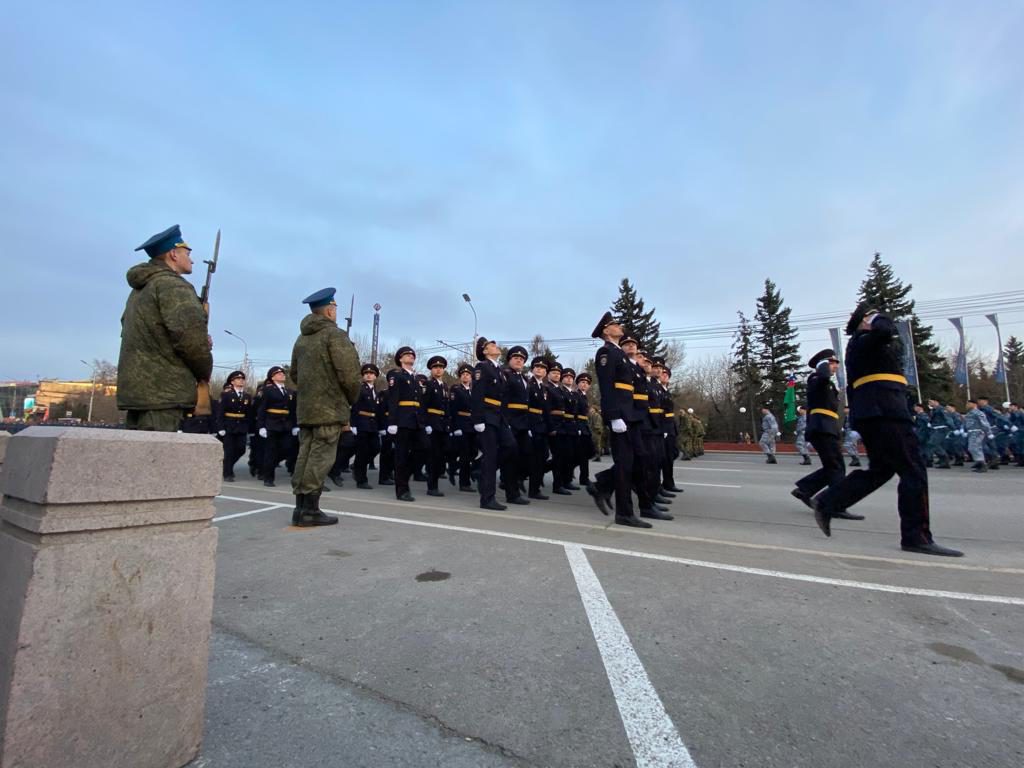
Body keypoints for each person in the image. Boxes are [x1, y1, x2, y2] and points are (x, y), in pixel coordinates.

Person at [813, 304, 963, 557]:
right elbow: (885, 330)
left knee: (881, 470)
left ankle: (829, 501)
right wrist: (878, 317)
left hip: (879, 411)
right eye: (872, 315)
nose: (879, 318)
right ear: (864, 321)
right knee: (913, 470)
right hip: (885, 412)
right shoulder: (863, 341)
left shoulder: (868, 345)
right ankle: (916, 537)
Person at [117, 225, 213, 432]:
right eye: (188, 254)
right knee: (157, 450)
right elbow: (190, 341)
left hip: (139, 391)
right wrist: (204, 368)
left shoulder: (142, 288)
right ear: (173, 254)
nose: (192, 260)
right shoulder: (174, 286)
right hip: (165, 391)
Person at [289, 287, 361, 526]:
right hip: (329, 409)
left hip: (307, 409)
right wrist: (349, 399)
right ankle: (310, 511)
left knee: (305, 455)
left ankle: (300, 508)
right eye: (335, 308)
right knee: (321, 458)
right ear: (330, 311)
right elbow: (349, 375)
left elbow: (295, 374)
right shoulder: (335, 335)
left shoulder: (302, 338)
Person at [588, 312, 652, 528]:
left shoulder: (619, 354)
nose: (619, 326)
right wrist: (614, 416)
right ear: (606, 331)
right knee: (625, 465)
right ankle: (624, 513)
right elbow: (607, 386)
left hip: (629, 415)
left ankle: (602, 485)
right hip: (620, 416)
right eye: (615, 324)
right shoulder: (606, 352)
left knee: (635, 461)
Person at [791, 349, 860, 519]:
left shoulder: (826, 383)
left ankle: (805, 489)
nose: (836, 366)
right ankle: (834, 505)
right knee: (837, 467)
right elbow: (822, 376)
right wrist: (822, 365)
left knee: (833, 466)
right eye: (833, 362)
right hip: (822, 428)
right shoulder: (816, 379)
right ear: (824, 364)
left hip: (827, 428)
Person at [472, 336, 527, 510]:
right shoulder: (482, 367)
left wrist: (505, 419)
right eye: (491, 345)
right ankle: (487, 499)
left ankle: (479, 469)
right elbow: (477, 394)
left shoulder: (499, 371)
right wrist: (478, 419)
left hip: (499, 416)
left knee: (511, 447)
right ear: (485, 351)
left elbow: (502, 398)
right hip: (487, 416)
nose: (496, 346)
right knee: (490, 457)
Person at [387, 347, 424, 502]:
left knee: (423, 449)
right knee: (401, 456)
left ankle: (403, 477)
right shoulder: (397, 375)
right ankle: (402, 490)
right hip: (402, 420)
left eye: (412, 355)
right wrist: (392, 422)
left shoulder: (415, 378)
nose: (411, 356)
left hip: (415, 421)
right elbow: (393, 399)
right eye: (407, 355)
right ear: (400, 359)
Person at [257, 366, 298, 487]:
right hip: (272, 424)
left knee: (287, 448)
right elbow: (262, 409)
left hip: (286, 425)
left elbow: (293, 410)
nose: (282, 375)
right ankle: (268, 478)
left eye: (283, 373)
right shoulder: (267, 390)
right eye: (278, 374)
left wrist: (295, 425)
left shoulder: (289, 392)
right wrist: (261, 426)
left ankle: (269, 465)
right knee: (270, 452)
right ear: (272, 377)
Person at [502, 346, 532, 498]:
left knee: (526, 454)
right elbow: (502, 399)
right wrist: (505, 420)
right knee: (511, 458)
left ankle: (514, 482)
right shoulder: (505, 375)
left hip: (523, 422)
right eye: (516, 358)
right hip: (511, 420)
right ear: (509, 360)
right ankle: (512, 492)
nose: (519, 361)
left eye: (522, 359)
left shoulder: (524, 378)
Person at [350, 364, 382, 489]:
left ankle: (357, 466)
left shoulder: (376, 391)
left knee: (376, 447)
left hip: (373, 424)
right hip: (362, 423)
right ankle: (361, 480)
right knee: (362, 452)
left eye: (371, 373)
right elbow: (354, 407)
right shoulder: (360, 389)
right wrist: (353, 424)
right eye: (366, 373)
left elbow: (378, 410)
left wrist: (381, 426)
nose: (369, 375)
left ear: (375, 376)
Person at [215, 371, 251, 482]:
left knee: (241, 449)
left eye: (242, 379)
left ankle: (227, 465)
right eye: (238, 379)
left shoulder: (247, 396)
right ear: (232, 382)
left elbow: (249, 413)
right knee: (229, 450)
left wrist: (249, 427)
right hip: (229, 426)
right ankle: (228, 473)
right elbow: (220, 413)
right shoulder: (226, 395)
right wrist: (220, 427)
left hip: (241, 426)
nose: (241, 381)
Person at [422, 356, 450, 497]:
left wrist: (448, 424)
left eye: (441, 367)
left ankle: (434, 482)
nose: (438, 369)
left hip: (442, 424)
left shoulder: (444, 386)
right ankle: (432, 487)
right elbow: (423, 406)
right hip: (432, 423)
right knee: (433, 457)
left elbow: (447, 406)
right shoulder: (428, 385)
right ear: (431, 370)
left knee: (441, 456)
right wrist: (426, 424)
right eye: (435, 367)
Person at [449, 363, 476, 492]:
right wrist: (455, 427)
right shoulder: (456, 389)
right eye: (463, 374)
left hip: (472, 425)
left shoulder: (473, 391)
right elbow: (453, 409)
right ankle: (464, 483)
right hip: (462, 424)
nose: (465, 376)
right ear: (460, 377)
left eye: (468, 374)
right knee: (465, 454)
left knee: (473, 452)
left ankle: (454, 467)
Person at [527, 357, 551, 499]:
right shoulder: (528, 384)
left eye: (542, 368)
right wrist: (528, 426)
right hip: (531, 424)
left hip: (542, 426)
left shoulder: (544, 388)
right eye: (537, 367)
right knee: (532, 459)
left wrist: (550, 427)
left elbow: (546, 409)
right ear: (532, 369)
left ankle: (534, 488)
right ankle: (531, 488)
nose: (539, 369)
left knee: (542, 457)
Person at [964, 399, 992, 473]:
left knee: (975, 448)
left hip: (978, 432)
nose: (967, 405)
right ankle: (979, 462)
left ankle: (983, 464)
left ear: (974, 404)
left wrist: (989, 432)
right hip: (971, 432)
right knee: (972, 448)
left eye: (968, 404)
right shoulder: (969, 413)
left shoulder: (978, 412)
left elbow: (985, 423)